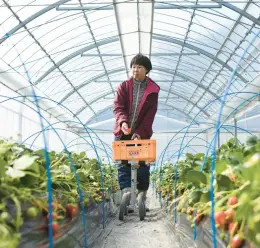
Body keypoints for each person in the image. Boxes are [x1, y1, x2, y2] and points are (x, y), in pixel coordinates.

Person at [113, 54, 160, 212]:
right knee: (123, 164)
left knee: (142, 165)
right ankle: (127, 193)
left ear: (147, 70)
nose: (135, 69)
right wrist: (123, 122)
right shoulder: (124, 87)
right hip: (123, 132)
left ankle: (141, 196)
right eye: (133, 66)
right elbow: (118, 107)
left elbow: (149, 116)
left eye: (139, 67)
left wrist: (140, 132)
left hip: (142, 134)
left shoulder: (152, 91)